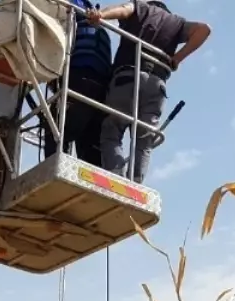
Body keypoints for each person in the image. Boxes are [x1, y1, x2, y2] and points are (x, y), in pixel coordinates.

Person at [90, 1, 211, 182]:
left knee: (112, 131)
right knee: (144, 141)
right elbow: (204, 29)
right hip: (157, 86)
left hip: (127, 78)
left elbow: (123, 11)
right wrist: (178, 58)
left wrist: (101, 16)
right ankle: (135, 186)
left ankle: (116, 182)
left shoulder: (140, 7)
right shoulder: (176, 23)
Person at [43, 0, 114, 165]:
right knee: (89, 144)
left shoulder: (72, 11)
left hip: (79, 81)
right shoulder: (102, 31)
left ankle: (54, 168)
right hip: (101, 93)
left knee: (55, 127)